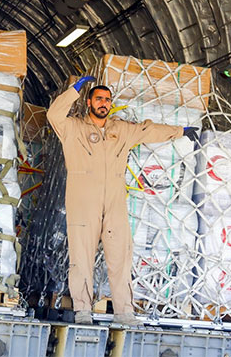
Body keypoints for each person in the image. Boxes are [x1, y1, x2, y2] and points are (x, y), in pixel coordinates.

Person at [47, 75, 199, 326]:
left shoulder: (121, 130)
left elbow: (148, 130)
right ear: (88, 102)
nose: (103, 103)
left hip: (115, 204)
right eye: (99, 99)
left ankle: (124, 312)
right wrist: (73, 89)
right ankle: (83, 310)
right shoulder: (72, 128)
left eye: (107, 100)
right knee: (81, 259)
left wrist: (180, 131)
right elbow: (54, 114)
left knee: (120, 257)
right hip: (83, 204)